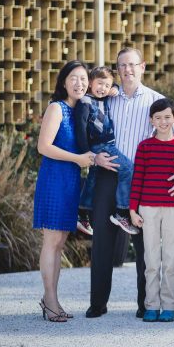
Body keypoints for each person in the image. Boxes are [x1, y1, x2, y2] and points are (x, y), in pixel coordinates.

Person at [87, 47, 174, 319]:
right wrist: (94, 157)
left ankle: (146, 305)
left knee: (145, 246)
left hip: (143, 180)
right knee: (102, 242)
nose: (127, 70)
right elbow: (89, 129)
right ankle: (98, 304)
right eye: (122, 66)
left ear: (143, 67)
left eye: (132, 65)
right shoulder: (107, 99)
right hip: (109, 175)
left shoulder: (156, 100)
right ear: (117, 69)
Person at [32, 60, 96, 322]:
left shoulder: (81, 110)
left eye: (83, 79)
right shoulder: (56, 108)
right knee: (51, 242)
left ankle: (52, 300)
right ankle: (50, 302)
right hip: (54, 181)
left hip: (70, 182)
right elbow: (43, 147)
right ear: (63, 83)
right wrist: (77, 158)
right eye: (74, 78)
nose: (79, 83)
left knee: (60, 244)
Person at [130, 98, 174, 322]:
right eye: (158, 118)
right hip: (147, 208)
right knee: (150, 260)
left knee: (169, 260)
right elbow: (137, 179)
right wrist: (132, 209)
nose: (163, 121)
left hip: (172, 211)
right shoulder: (144, 147)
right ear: (151, 121)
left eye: (167, 117)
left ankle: (169, 305)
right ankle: (151, 305)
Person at [73, 66, 138, 237]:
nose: (103, 88)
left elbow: (114, 85)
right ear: (90, 84)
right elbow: (80, 128)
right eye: (99, 84)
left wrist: (114, 88)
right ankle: (122, 212)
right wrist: (87, 152)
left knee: (92, 180)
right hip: (101, 145)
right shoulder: (85, 102)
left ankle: (82, 213)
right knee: (128, 169)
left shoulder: (104, 98)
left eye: (106, 85)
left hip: (104, 145)